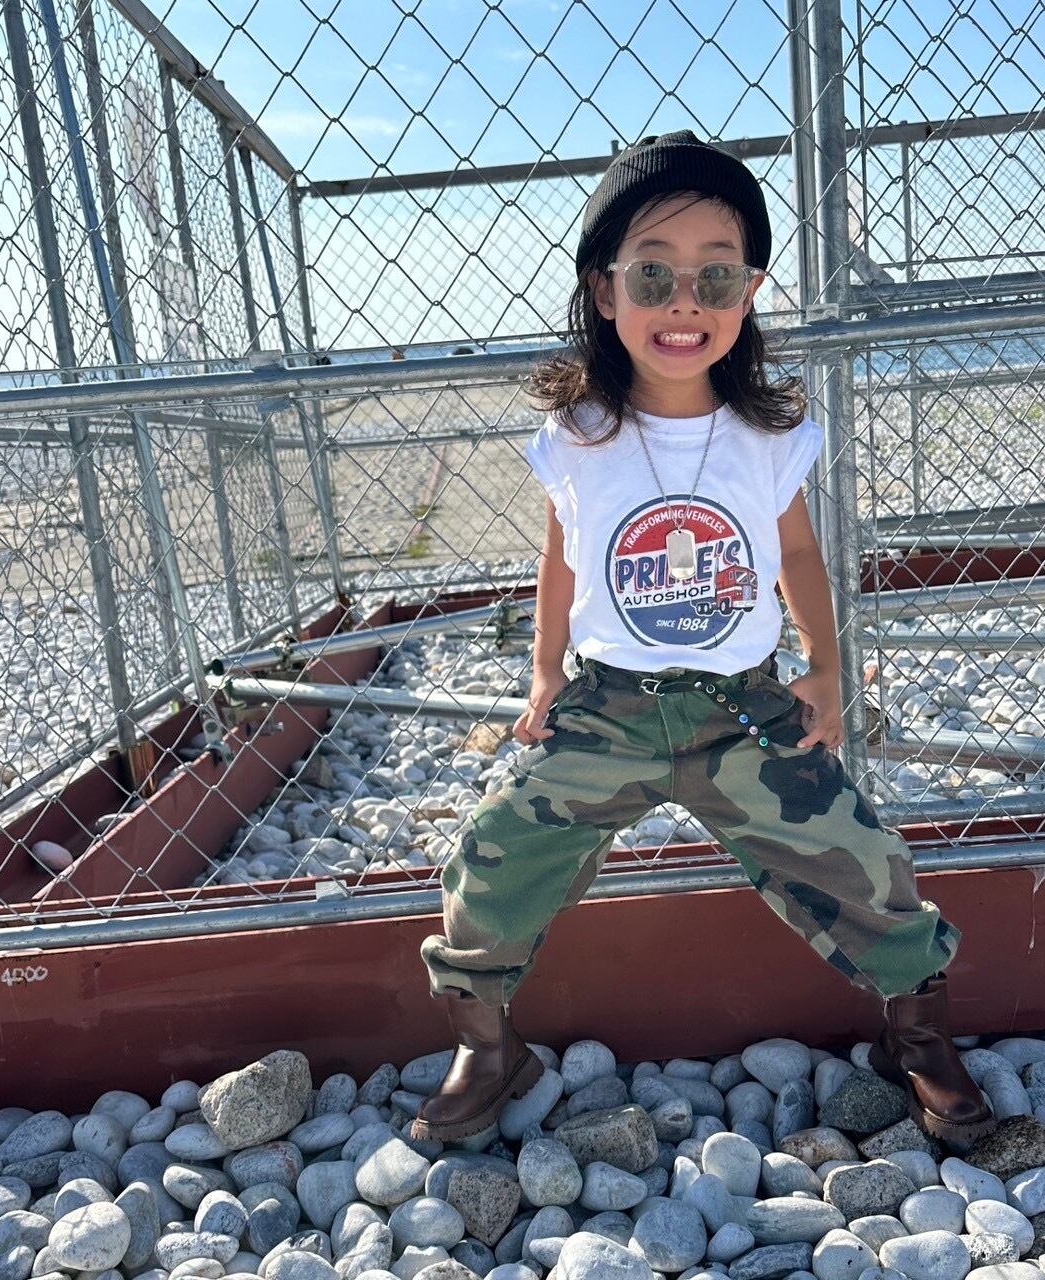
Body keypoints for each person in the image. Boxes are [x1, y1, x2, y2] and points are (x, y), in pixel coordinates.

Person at [413, 130, 994, 1151]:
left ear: (749, 293)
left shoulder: (767, 435)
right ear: (604, 291)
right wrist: (544, 673)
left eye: (715, 276)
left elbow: (797, 555)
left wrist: (824, 666)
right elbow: (560, 563)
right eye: (653, 274)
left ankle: (917, 1034)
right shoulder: (578, 435)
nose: (684, 301)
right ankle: (489, 1045)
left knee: (861, 858)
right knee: (493, 856)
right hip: (609, 708)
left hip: (742, 707)